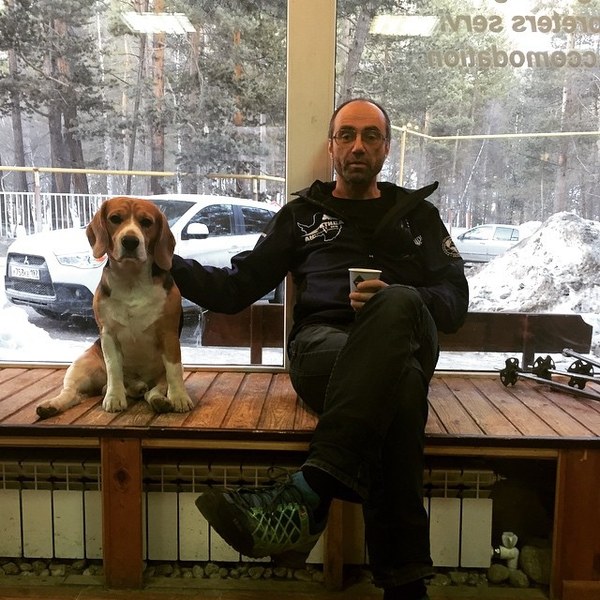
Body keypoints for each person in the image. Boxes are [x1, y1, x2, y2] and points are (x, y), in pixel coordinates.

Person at [171, 98, 469, 600]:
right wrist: (168, 262)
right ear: (331, 147)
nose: (358, 146)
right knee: (400, 390)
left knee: (397, 305)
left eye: (370, 136)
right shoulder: (301, 216)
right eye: (346, 135)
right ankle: (406, 587)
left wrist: (404, 296)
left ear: (386, 148)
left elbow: (455, 302)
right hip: (322, 349)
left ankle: (310, 491)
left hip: (407, 336)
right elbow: (235, 289)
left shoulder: (419, 217)